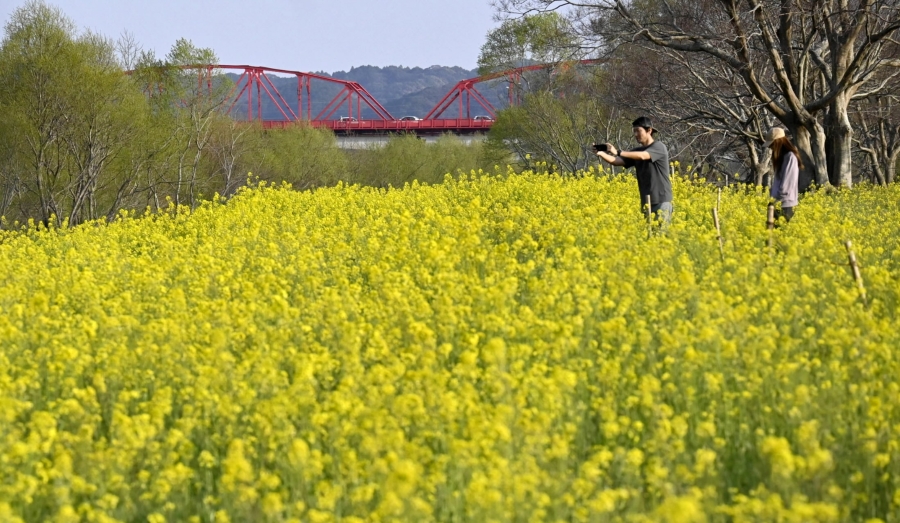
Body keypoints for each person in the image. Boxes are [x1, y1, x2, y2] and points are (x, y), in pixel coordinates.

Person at [595, 116, 673, 225]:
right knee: (649, 235)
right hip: (646, 203)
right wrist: (601, 153)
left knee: (661, 235)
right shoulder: (636, 151)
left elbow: (643, 156)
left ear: (649, 130)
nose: (635, 134)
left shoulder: (659, 147)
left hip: (661, 202)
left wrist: (618, 152)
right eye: (634, 131)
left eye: (638, 131)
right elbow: (616, 161)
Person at [763, 127, 801, 222]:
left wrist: (776, 200)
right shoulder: (782, 157)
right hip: (778, 203)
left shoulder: (790, 157)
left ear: (778, 142)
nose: (771, 148)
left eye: (772, 144)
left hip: (785, 204)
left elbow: (787, 184)